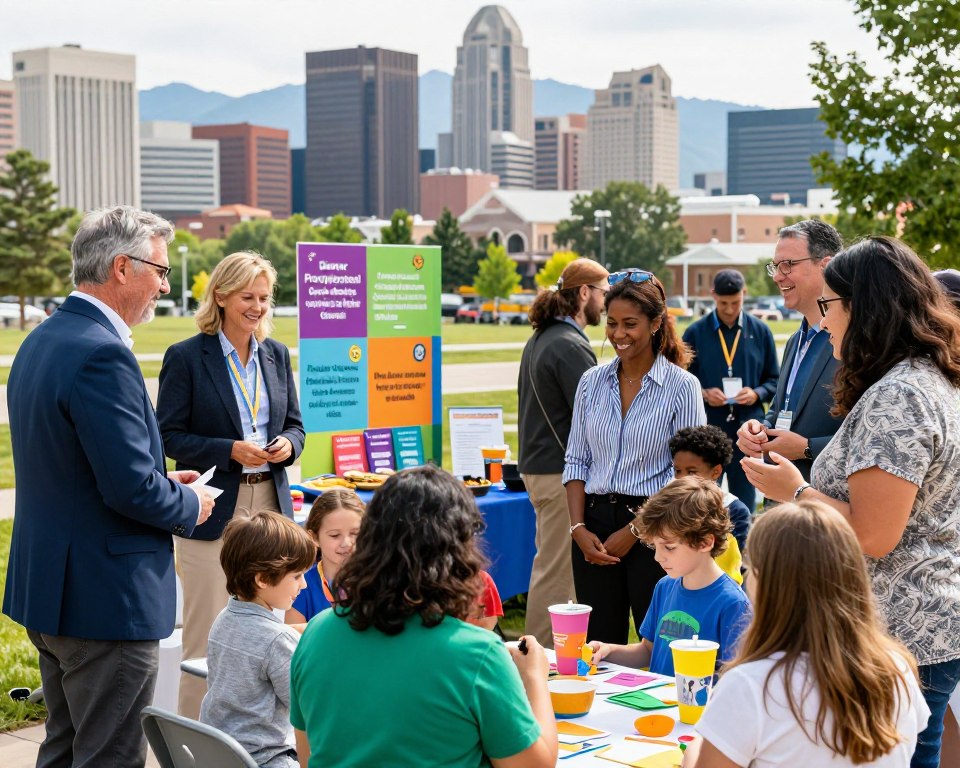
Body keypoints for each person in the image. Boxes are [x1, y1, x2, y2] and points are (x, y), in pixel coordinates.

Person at [3, 206, 215, 766]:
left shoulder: (45, 337)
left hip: (54, 590)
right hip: (105, 600)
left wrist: (159, 476)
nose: (165, 287)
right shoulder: (103, 352)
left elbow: (74, 464)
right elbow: (131, 494)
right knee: (108, 757)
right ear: (122, 268)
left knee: (65, 747)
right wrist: (189, 501)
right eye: (161, 271)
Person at [741, 236, 960, 768]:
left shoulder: (900, 396)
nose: (822, 320)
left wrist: (794, 491)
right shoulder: (918, 380)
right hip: (906, 628)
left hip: (902, 632)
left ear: (863, 309)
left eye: (828, 305)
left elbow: (872, 535)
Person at [290, 466, 558, 767]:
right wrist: (535, 676)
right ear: (458, 551)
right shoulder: (477, 653)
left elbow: (308, 757)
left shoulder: (316, 634)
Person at [157, 250, 305, 718]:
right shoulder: (186, 357)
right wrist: (229, 450)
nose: (258, 307)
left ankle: (264, 742)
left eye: (264, 298)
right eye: (247, 296)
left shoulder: (276, 355)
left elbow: (297, 426)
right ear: (220, 296)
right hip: (211, 504)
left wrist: (287, 445)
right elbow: (167, 434)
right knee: (204, 640)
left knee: (269, 633)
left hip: (269, 503)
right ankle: (192, 754)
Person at [685, 501, 929, 767]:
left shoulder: (751, 684)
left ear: (766, 582)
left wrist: (698, 739)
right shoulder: (897, 668)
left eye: (749, 568)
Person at [564, 269, 706, 644]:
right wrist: (578, 530)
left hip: (657, 529)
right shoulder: (591, 382)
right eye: (611, 323)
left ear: (656, 323)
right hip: (591, 530)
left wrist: (635, 530)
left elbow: (690, 478)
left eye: (630, 324)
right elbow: (576, 460)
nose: (618, 335)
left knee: (659, 644)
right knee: (595, 645)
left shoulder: (682, 387)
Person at [518, 257, 609, 646]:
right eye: (603, 293)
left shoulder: (544, 337)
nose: (606, 302)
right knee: (556, 573)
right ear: (584, 292)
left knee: (553, 566)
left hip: (541, 467)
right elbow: (596, 417)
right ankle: (537, 657)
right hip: (557, 471)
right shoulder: (570, 345)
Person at [587, 477, 751, 676]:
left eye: (669, 547)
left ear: (705, 542)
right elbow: (648, 650)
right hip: (657, 705)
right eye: (654, 546)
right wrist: (609, 651)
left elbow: (736, 679)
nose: (657, 557)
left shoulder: (733, 604)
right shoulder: (664, 587)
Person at [201, 512, 315, 768]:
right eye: (296, 576)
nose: (304, 585)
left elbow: (258, 642)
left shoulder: (224, 618)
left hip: (219, 755)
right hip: (266, 760)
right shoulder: (278, 640)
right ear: (262, 579)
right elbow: (309, 710)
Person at [737, 220, 844, 481]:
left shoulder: (855, 342)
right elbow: (781, 411)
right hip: (783, 499)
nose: (776, 276)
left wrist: (807, 448)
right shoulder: (796, 340)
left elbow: (871, 436)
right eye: (775, 266)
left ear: (825, 265)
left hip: (827, 503)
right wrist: (759, 429)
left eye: (788, 265)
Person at [682, 269, 779, 511]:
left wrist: (756, 393)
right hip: (708, 430)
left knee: (743, 504)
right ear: (713, 295)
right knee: (703, 502)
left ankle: (742, 547)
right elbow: (681, 382)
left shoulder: (761, 331)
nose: (729, 309)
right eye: (723, 303)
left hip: (746, 432)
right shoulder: (695, 333)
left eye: (735, 302)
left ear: (744, 294)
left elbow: (774, 380)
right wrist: (704, 394)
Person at [670, 425, 751, 583]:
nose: (682, 478)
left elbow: (737, 564)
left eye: (692, 472)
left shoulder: (734, 510)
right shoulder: (670, 504)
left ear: (716, 471)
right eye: (678, 470)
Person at [286, 488, 365, 625]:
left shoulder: (378, 581)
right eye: (335, 535)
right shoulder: (300, 587)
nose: (346, 543)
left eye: (355, 533)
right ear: (314, 538)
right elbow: (296, 644)